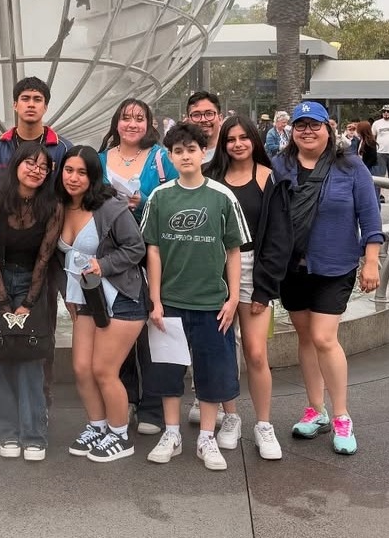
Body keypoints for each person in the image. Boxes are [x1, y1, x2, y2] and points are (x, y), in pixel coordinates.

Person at [274, 101, 383, 456]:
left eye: (314, 125)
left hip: (334, 266)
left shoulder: (350, 167)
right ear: (291, 130)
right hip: (292, 267)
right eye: (300, 125)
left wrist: (371, 261)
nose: (307, 131)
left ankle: (341, 415)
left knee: (324, 338)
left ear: (328, 129)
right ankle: (314, 409)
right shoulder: (280, 165)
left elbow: (370, 216)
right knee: (305, 337)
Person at [140, 121, 245, 471]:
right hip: (169, 303)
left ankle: (206, 438)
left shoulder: (221, 196)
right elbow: (152, 250)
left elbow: (233, 250)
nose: (185, 156)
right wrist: (154, 300)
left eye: (191, 149)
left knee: (213, 373)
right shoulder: (160, 196)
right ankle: (171, 433)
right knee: (169, 373)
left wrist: (231, 299)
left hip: (212, 303)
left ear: (204, 152)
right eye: (178, 151)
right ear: (170, 156)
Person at [202, 115, 292, 460]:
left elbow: (280, 238)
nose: (237, 144)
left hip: (255, 270)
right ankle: (231, 415)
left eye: (244, 138)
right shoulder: (212, 179)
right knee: (222, 350)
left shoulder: (270, 179)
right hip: (217, 271)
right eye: (230, 139)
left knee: (255, 352)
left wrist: (264, 289)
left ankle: (264, 424)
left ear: (255, 140)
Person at [58, 146, 147, 463]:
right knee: (82, 369)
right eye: (69, 170)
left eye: (82, 172)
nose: (73, 177)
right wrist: (66, 293)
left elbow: (136, 248)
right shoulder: (61, 207)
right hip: (86, 299)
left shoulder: (110, 207)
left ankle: (120, 435)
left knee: (104, 370)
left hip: (122, 298)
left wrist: (103, 265)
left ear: (94, 175)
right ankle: (97, 426)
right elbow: (60, 257)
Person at [97, 97, 178, 436]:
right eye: (127, 118)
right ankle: (127, 396)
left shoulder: (161, 158)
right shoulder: (101, 160)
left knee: (151, 329)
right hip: (112, 256)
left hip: (151, 253)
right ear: (117, 122)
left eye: (139, 118)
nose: (132, 124)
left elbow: (176, 197)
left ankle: (154, 406)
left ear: (149, 124)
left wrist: (144, 201)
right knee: (119, 325)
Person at [0, 142, 62, 460]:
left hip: (33, 281)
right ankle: (6, 432)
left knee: (31, 355)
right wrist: (1, 301)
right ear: (15, 165)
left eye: (43, 167)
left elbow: (45, 256)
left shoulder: (52, 206)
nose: (36, 170)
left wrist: (28, 301)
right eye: (30, 163)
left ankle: (34, 433)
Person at [0, 76, 72, 190]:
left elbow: (68, 195)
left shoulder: (64, 149)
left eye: (37, 99)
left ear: (45, 107)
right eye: (25, 98)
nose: (31, 104)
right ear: (15, 105)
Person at [185, 91, 222, 165]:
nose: (203, 120)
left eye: (209, 114)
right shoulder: (179, 156)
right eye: (196, 115)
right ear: (188, 120)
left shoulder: (231, 152)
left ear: (220, 118)